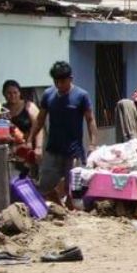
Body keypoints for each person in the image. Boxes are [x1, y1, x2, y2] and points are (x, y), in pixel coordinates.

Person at [28, 61, 93, 206]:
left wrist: (93, 143)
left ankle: (70, 210)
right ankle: (55, 202)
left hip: (73, 152)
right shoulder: (48, 95)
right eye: (56, 81)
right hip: (53, 150)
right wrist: (30, 139)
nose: (59, 85)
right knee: (43, 187)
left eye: (62, 81)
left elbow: (90, 120)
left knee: (74, 193)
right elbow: (40, 119)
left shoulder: (82, 96)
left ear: (70, 79)